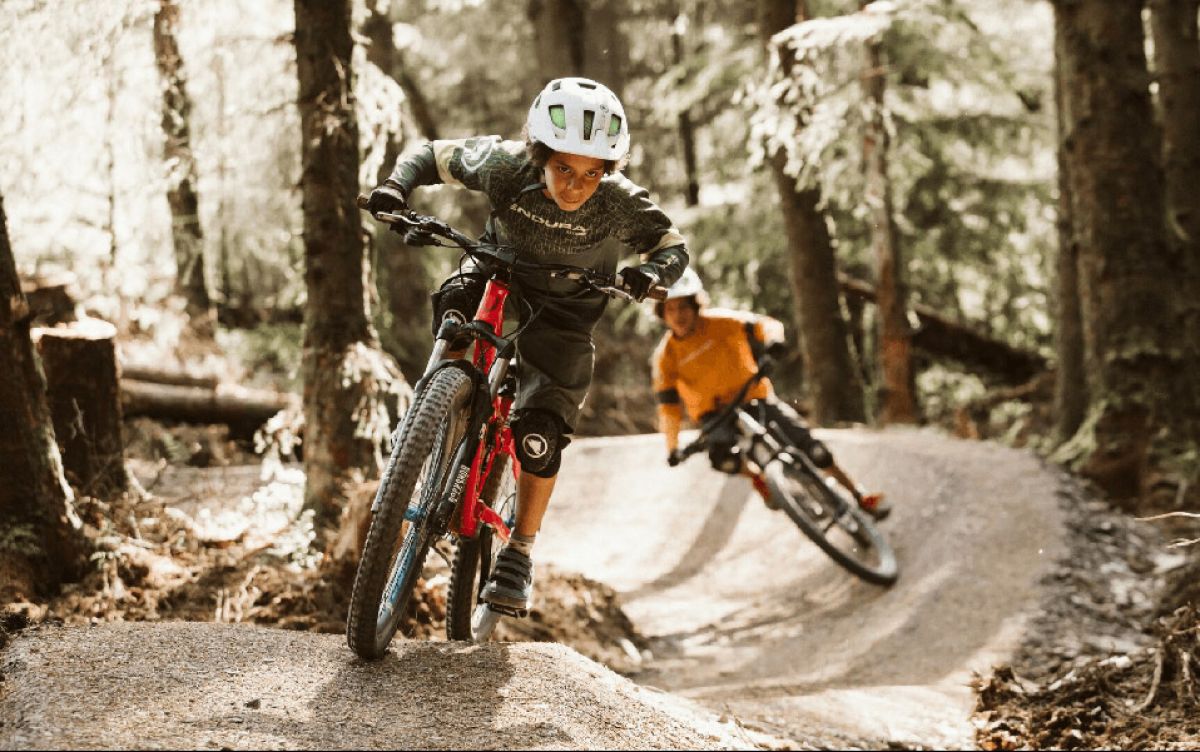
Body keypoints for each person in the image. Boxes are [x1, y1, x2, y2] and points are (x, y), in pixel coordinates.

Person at [365, 77, 689, 612]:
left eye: (592, 173)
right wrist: (395, 188)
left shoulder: (619, 201)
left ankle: (520, 551)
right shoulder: (504, 165)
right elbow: (430, 155)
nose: (577, 185)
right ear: (539, 154)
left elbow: (671, 245)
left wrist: (646, 273)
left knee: (539, 434)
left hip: (569, 306)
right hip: (500, 270)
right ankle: (429, 422)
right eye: (564, 167)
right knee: (455, 309)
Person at [650, 268, 890, 519]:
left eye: (683, 307)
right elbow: (668, 407)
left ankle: (859, 495)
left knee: (814, 450)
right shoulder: (665, 357)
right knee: (724, 460)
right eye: (670, 309)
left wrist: (773, 342)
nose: (678, 316)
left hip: (753, 396)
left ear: (695, 305)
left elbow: (767, 324)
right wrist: (672, 446)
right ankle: (761, 480)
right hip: (714, 415)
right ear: (662, 313)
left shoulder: (722, 322)